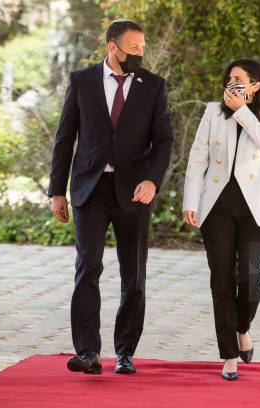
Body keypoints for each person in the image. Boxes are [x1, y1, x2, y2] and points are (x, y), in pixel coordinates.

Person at [47, 19, 173, 375]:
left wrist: (152, 180)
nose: (140, 54)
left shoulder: (153, 86)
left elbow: (163, 140)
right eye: (134, 48)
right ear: (112, 47)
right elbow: (64, 137)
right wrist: (57, 190)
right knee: (87, 268)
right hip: (91, 188)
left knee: (134, 275)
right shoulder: (82, 81)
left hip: (134, 191)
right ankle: (88, 351)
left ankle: (125, 352)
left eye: (143, 48)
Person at [182, 58, 260, 381]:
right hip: (216, 209)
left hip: (255, 209)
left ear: (255, 85)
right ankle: (228, 355)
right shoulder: (213, 111)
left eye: (239, 79)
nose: (231, 83)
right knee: (222, 281)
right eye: (229, 79)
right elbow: (198, 157)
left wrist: (242, 110)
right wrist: (190, 201)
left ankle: (242, 328)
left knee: (252, 279)